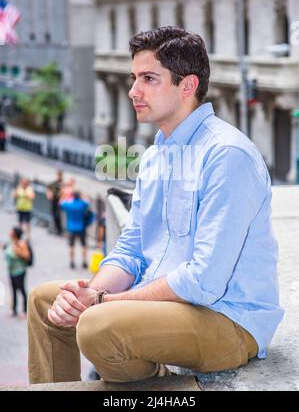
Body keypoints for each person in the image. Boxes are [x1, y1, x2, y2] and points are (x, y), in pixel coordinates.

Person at [28, 26, 284, 385]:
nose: (134, 91)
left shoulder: (226, 155)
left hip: (227, 319)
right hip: (170, 308)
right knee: (45, 302)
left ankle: (152, 384)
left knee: (98, 325)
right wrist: (90, 293)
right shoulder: (155, 155)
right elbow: (132, 249)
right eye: (134, 78)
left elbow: (203, 281)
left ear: (188, 86)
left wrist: (101, 303)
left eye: (149, 78)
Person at [3, 226, 30, 319]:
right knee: (13, 290)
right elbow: (4, 248)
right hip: (11, 271)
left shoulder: (21, 243)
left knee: (22, 290)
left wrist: (17, 250)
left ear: (15, 233)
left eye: (12, 231)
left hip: (20, 271)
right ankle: (14, 310)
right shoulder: (10, 241)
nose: (10, 232)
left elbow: (27, 256)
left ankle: (25, 311)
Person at [59, 190, 89, 269]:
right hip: (81, 227)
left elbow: (60, 203)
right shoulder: (82, 204)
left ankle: (72, 262)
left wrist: (65, 195)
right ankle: (84, 262)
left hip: (71, 228)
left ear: (73, 196)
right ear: (79, 196)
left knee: (71, 246)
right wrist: (83, 195)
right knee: (83, 245)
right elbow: (87, 201)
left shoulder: (69, 205)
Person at [46, 170, 64, 235]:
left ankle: (59, 230)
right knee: (54, 215)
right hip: (53, 201)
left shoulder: (63, 184)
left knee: (57, 216)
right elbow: (48, 188)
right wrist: (49, 194)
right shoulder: (54, 183)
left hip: (59, 201)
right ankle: (56, 229)